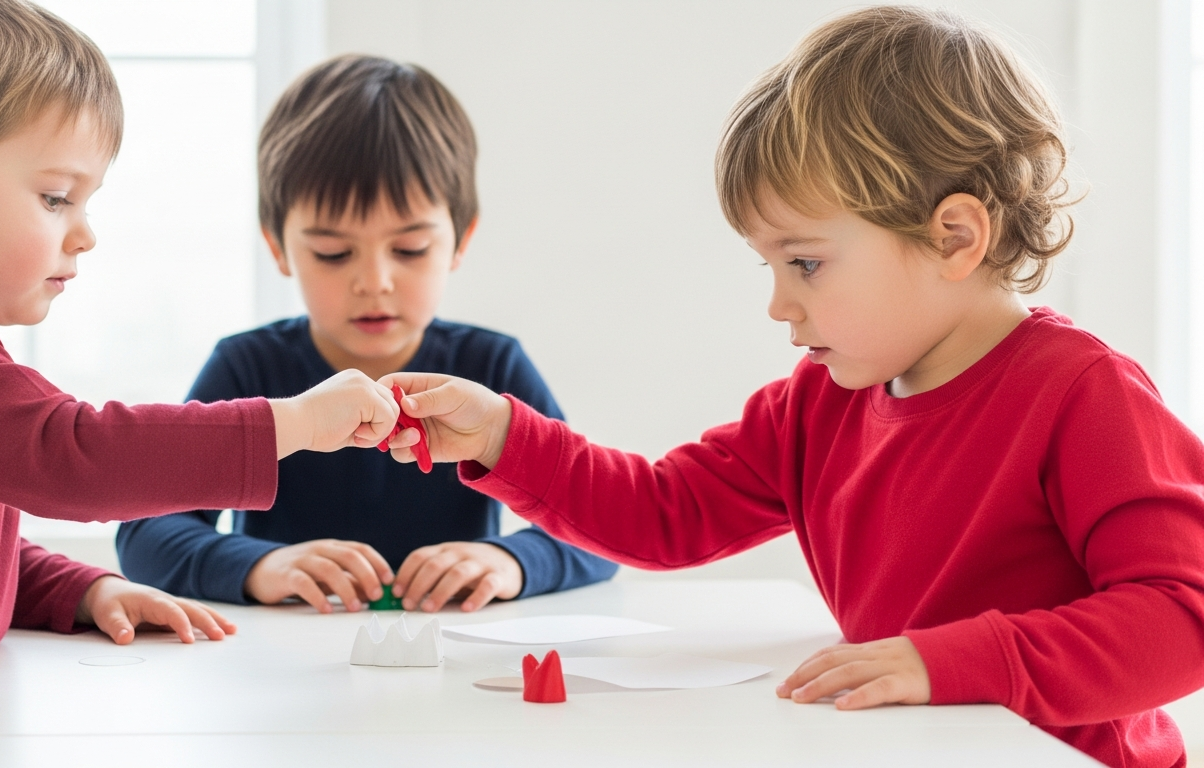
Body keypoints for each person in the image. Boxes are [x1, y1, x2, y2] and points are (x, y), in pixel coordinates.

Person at [378, 8, 1204, 767]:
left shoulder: (1084, 395)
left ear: (954, 235)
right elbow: (667, 513)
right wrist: (501, 436)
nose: (778, 303)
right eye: (770, 265)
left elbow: (1182, 617)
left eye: (804, 262)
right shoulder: (821, 403)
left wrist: (947, 660)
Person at [0, 2, 398, 764]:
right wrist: (294, 423)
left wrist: (80, 591)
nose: (84, 234)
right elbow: (74, 456)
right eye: (55, 198)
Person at [116, 55, 616, 615]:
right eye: (333, 253)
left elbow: (601, 526)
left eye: (410, 250)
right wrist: (258, 566)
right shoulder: (247, 366)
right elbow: (145, 536)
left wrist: (509, 561)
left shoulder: (492, 364)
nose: (374, 282)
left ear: (459, 240)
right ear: (278, 246)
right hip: (285, 664)